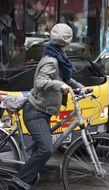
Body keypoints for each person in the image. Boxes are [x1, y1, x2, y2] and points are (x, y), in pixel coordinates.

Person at [8, 23, 85, 190]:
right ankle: (17, 184)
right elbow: (40, 82)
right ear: (69, 41)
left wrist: (80, 86)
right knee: (46, 149)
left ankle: (29, 172)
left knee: (40, 149)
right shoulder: (51, 59)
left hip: (44, 111)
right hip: (35, 111)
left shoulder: (58, 55)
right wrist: (59, 85)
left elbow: (65, 77)